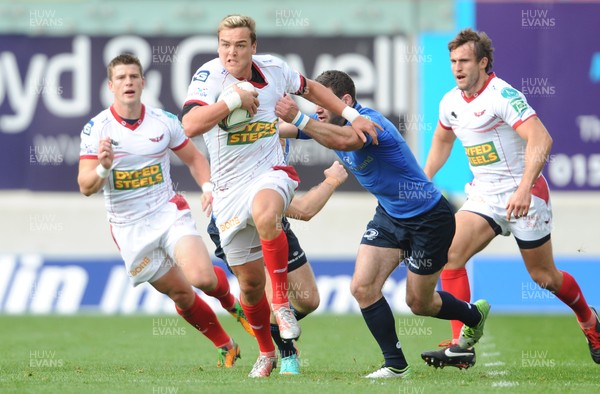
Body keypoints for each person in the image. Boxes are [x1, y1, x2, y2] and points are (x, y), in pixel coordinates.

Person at [180, 15, 379, 378]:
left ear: (254, 46)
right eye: (225, 45)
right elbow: (190, 126)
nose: (232, 52)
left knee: (267, 212)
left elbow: (313, 92)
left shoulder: (276, 71)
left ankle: (283, 308)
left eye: (240, 45)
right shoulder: (208, 78)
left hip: (269, 178)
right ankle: (268, 350)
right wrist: (231, 101)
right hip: (227, 196)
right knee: (253, 289)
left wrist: (350, 116)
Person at [275, 69, 491, 379]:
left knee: (419, 302)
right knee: (362, 287)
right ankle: (396, 364)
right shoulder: (328, 124)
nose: (317, 107)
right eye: (313, 101)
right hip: (390, 216)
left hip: (429, 218)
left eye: (323, 101)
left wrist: (298, 118)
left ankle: (473, 313)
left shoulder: (369, 124)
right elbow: (290, 130)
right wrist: (253, 126)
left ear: (346, 100)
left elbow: (346, 141)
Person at [420, 28, 600, 369]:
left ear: (483, 62)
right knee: (450, 255)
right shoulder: (450, 102)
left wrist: (523, 187)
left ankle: (589, 320)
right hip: (484, 196)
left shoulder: (503, 95)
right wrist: (423, 179)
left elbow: (541, 139)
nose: (457, 68)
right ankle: (462, 345)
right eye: (453, 61)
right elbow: (443, 141)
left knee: (544, 277)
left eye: (465, 61)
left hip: (525, 195)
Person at [78, 53, 246, 369]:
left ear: (143, 82)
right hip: (129, 229)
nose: (128, 82)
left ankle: (234, 306)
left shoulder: (164, 122)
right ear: (110, 85)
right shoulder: (96, 129)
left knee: (202, 278)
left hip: (167, 214)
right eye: (121, 78)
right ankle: (227, 346)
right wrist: (102, 169)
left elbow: (196, 159)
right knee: (182, 296)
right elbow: (86, 186)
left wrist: (207, 189)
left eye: (133, 76)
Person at [207, 160, 348, 375]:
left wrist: (332, 179)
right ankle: (283, 355)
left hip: (272, 221)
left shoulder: (274, 168)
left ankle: (260, 320)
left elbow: (304, 210)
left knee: (308, 300)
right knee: (272, 299)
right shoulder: (253, 143)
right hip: (234, 225)